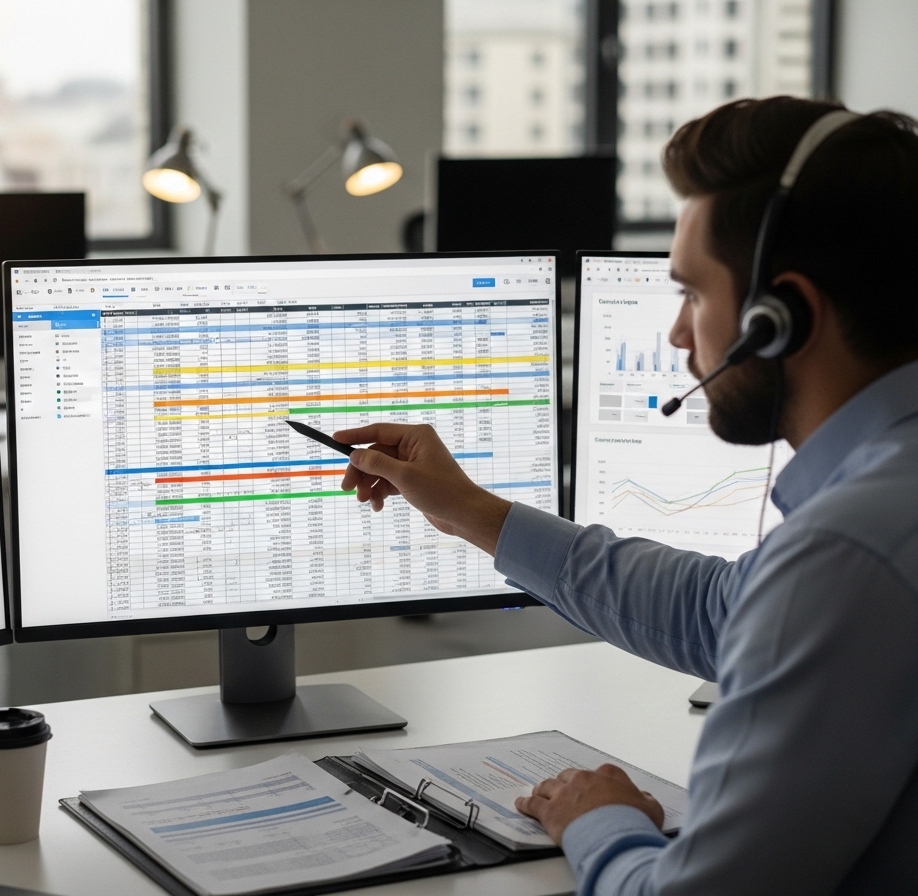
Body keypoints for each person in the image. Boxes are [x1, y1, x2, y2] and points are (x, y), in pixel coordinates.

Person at [336, 96, 918, 895]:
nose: (679, 333)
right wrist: (471, 511)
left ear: (780, 319)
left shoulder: (845, 555)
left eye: (692, 293)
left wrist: (599, 821)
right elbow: (721, 608)